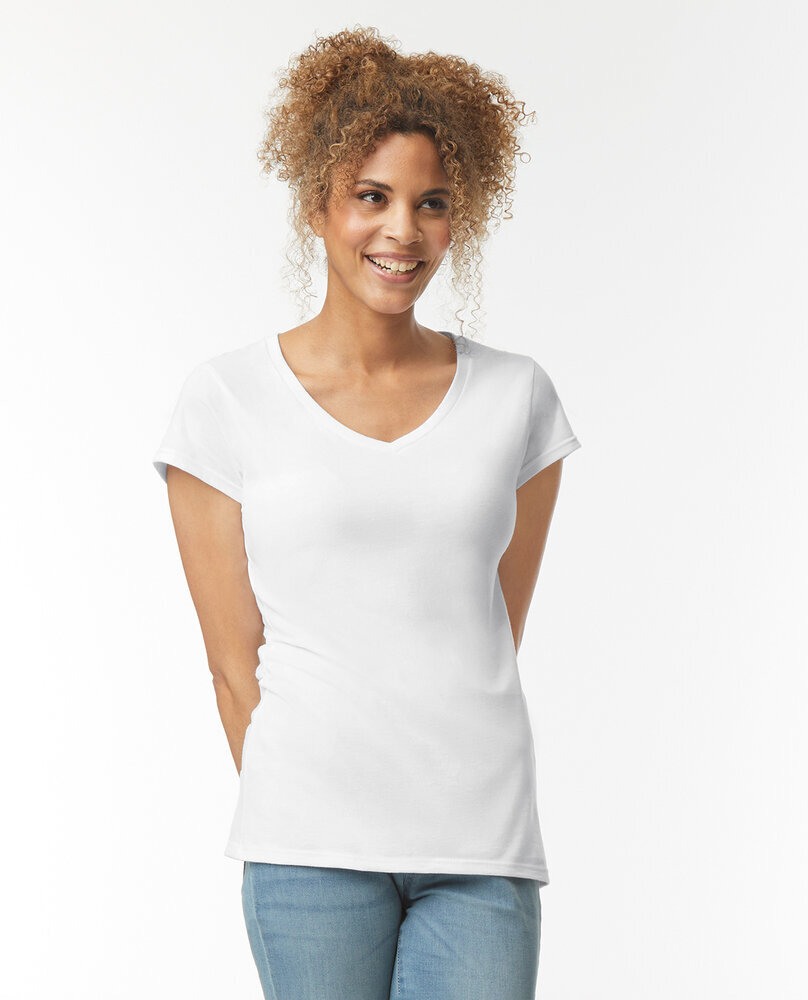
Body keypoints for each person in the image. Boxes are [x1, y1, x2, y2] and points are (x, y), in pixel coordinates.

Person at [152, 25, 581, 1000]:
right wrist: (307, 809)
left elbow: (486, 626)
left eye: (431, 203)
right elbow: (232, 666)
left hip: (479, 842)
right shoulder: (226, 400)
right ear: (317, 203)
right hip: (309, 847)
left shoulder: (516, 399)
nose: (402, 232)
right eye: (371, 197)